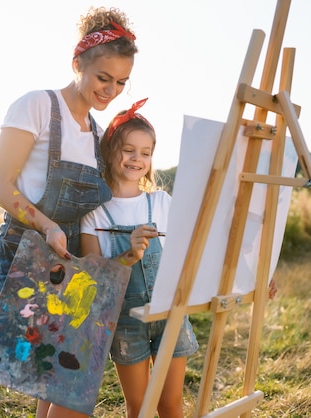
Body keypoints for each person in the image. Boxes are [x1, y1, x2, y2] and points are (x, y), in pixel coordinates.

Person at [0, 6, 138, 418]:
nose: (111, 91)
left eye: (121, 82)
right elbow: (0, 185)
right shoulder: (37, 106)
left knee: (58, 381)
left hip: (75, 259)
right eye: (102, 78)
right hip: (28, 252)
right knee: (68, 381)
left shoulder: (101, 135)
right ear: (77, 64)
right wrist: (48, 224)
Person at [80, 99, 199, 418]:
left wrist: (256, 273)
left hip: (169, 317)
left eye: (145, 153)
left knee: (171, 404)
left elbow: (196, 253)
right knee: (140, 407)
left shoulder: (162, 202)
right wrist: (129, 255)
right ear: (109, 151)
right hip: (124, 323)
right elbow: (94, 278)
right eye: (128, 150)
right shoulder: (93, 214)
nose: (137, 159)